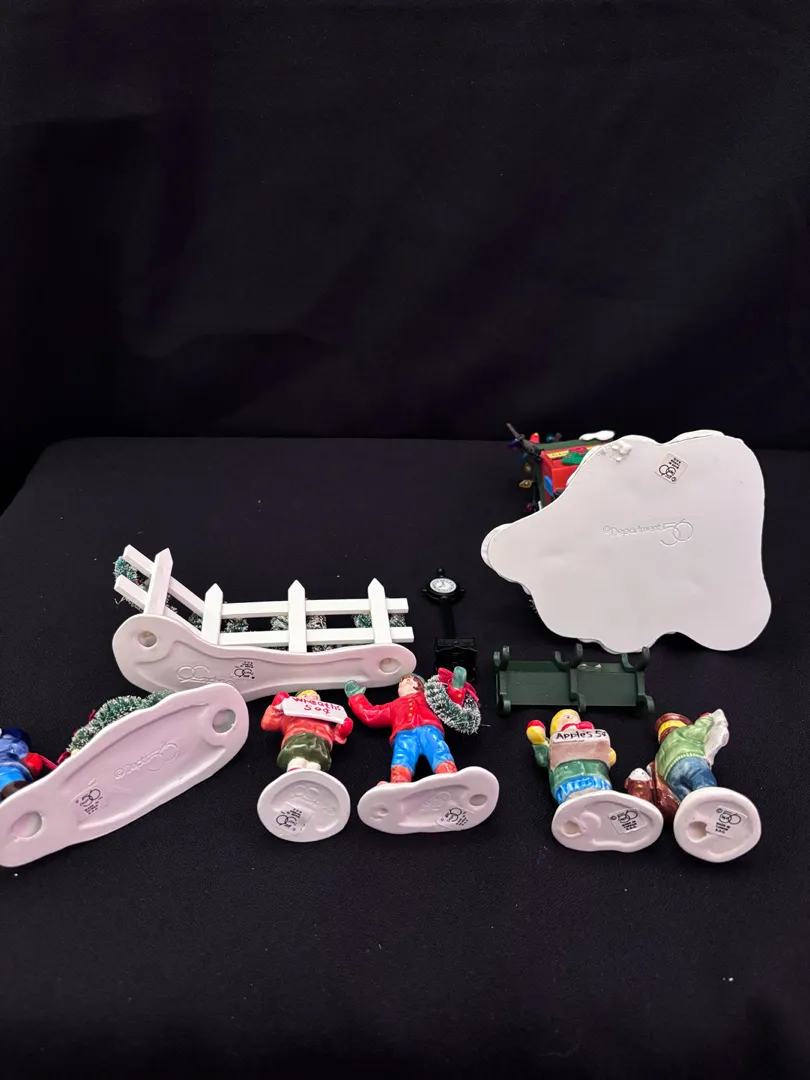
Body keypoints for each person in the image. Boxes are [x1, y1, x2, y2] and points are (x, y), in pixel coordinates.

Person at [344, 669, 467, 784]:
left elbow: (447, 705)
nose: (405, 682)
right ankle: (399, 783)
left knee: (438, 749)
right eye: (402, 683)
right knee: (402, 757)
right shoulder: (393, 706)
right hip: (404, 735)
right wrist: (357, 698)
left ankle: (448, 775)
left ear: (421, 686)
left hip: (429, 729)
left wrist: (456, 687)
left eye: (410, 680)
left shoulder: (428, 699)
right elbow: (372, 714)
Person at [261, 689, 353, 773]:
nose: (311, 698)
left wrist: (343, 730)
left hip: (321, 744)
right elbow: (269, 724)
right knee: (296, 759)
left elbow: (335, 735)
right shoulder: (290, 716)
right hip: (297, 739)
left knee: (316, 764)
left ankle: (313, 776)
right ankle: (294, 773)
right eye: (305, 696)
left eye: (316, 697)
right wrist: (276, 707)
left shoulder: (326, 720)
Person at [0, 728, 54, 800]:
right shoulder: (8, 741)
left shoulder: (7, 741)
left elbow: (22, 749)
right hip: (13, 771)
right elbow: (22, 750)